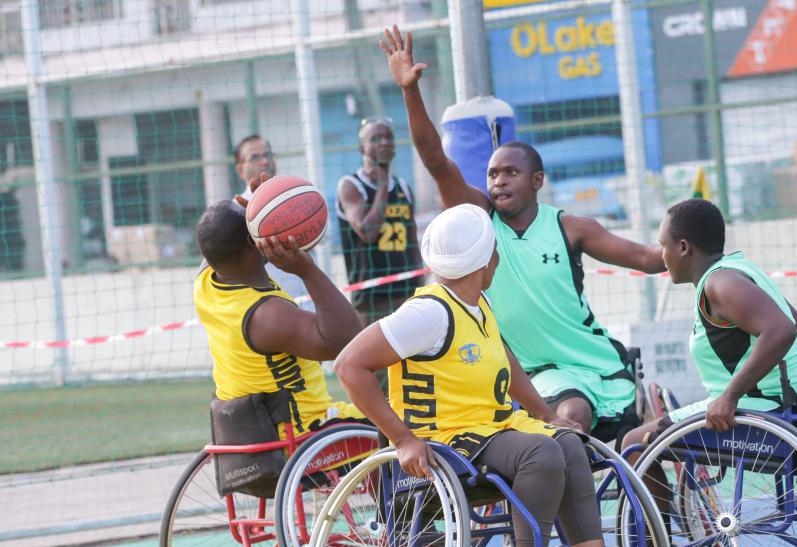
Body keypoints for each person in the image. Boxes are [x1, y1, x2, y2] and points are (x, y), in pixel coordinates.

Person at [334, 203, 650, 547]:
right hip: (445, 442)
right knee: (539, 454)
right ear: (488, 259)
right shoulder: (430, 312)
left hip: (488, 430)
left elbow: (505, 359)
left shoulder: (475, 305)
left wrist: (544, 412)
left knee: (569, 444)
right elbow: (349, 365)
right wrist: (403, 438)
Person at [380, 26, 666, 448]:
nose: (497, 181)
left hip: (598, 361)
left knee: (641, 450)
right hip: (536, 372)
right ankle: (574, 511)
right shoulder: (480, 220)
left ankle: (646, 478)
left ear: (537, 180)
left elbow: (646, 258)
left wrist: (694, 246)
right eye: (492, 173)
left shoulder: (571, 228)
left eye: (510, 172)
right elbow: (437, 161)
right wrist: (410, 91)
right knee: (572, 417)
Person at [622, 198, 797, 446]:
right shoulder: (740, 269)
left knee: (633, 444)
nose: (662, 256)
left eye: (663, 246)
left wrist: (731, 396)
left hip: (772, 408)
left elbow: (782, 331)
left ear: (684, 247)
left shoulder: (720, 283)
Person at [194, 199, 365, 447]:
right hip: (306, 435)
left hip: (250, 437)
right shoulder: (268, 314)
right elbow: (348, 339)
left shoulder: (204, 285)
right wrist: (307, 270)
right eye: (255, 225)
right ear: (252, 243)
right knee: (407, 420)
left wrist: (261, 203)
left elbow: (216, 235)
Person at [336, 117, 425, 327]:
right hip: (371, 298)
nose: (384, 142)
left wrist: (420, 287)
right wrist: (383, 186)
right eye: (376, 138)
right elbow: (368, 231)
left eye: (388, 137)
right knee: (375, 361)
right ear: (362, 148)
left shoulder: (403, 187)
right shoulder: (351, 186)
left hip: (406, 293)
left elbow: (412, 242)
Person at [233, 134, 311, 309]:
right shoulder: (235, 211)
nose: (264, 161)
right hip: (269, 306)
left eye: (267, 154)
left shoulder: (296, 194)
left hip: (307, 298)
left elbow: (324, 235)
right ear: (240, 170)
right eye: (255, 157)